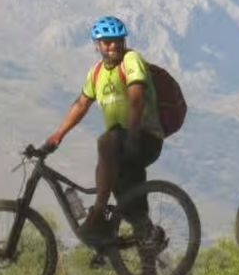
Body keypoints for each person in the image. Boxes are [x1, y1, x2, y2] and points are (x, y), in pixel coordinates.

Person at [44, 15, 163, 247]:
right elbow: (81, 105)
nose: (113, 46)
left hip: (144, 137)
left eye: (117, 41)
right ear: (97, 45)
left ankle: (98, 213)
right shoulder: (96, 73)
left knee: (106, 142)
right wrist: (58, 135)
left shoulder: (131, 60)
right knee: (130, 205)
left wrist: (133, 135)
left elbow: (136, 99)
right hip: (121, 143)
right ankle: (148, 265)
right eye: (107, 42)